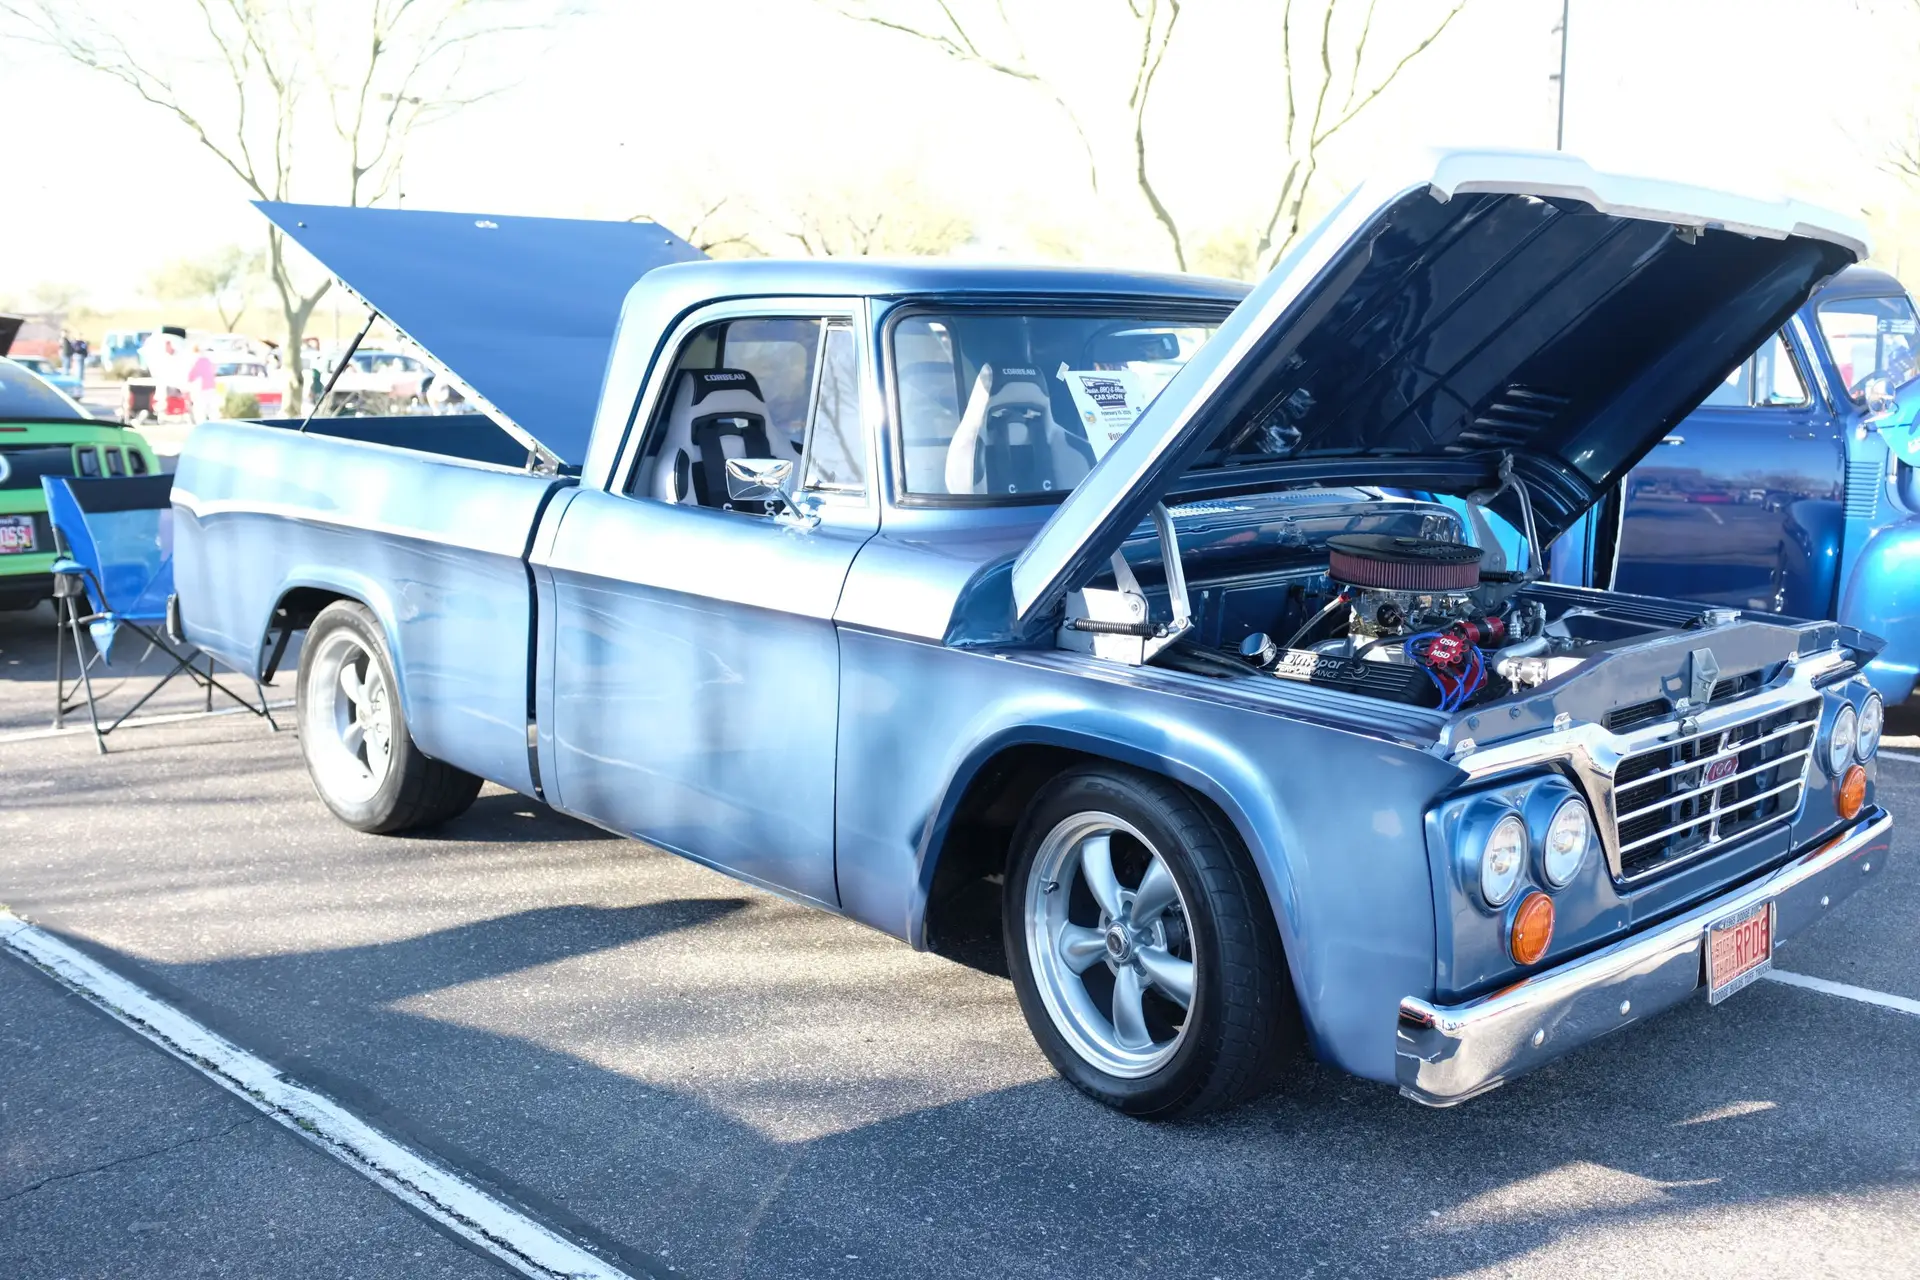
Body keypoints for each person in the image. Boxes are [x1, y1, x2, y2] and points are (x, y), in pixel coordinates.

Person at [187, 345, 219, 422]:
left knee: (201, 408)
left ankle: (202, 423)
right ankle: (213, 422)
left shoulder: (199, 362)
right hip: (212, 387)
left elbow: (191, 376)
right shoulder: (209, 362)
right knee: (211, 407)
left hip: (202, 388)